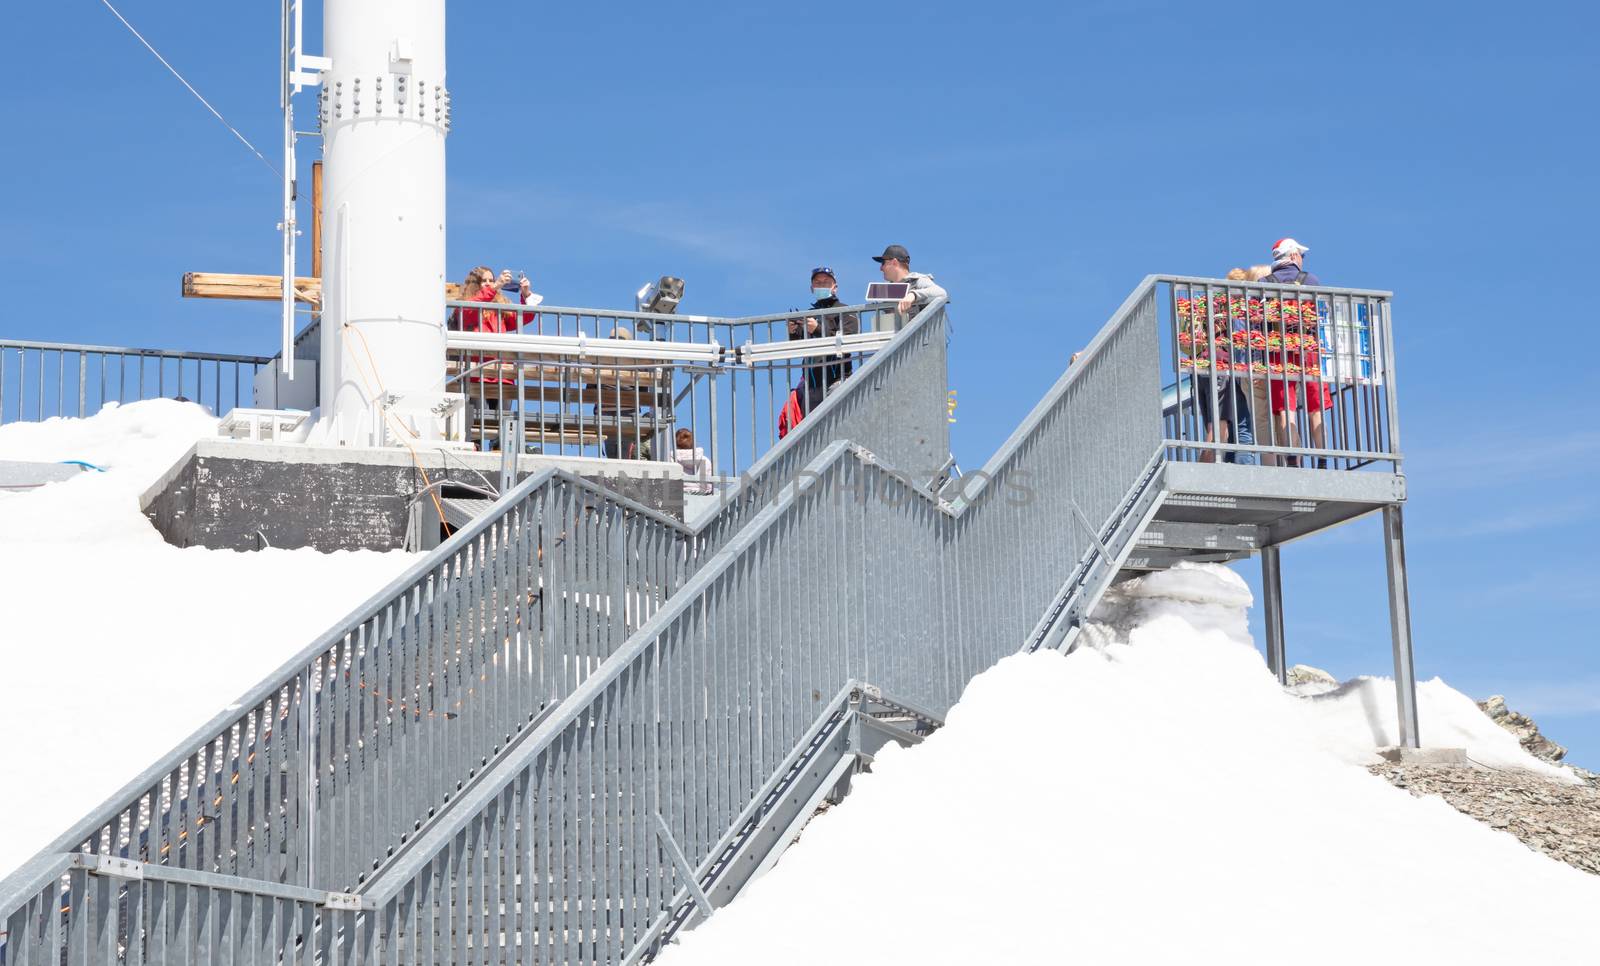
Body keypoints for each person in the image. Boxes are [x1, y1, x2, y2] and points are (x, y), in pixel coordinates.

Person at [1261, 238, 1332, 467]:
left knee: (1286, 408)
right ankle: (1322, 460)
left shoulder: (1264, 283)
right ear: (1292, 256)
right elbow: (1324, 314)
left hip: (1277, 349)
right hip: (1307, 346)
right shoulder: (1310, 281)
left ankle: (1292, 459)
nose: (1302, 258)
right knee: (1316, 405)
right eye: (1301, 254)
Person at [788, 266, 860, 414]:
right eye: (817, 283)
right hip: (811, 384)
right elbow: (798, 348)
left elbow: (848, 341)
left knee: (837, 425)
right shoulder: (807, 315)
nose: (821, 285)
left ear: (835, 287)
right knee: (811, 433)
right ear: (811, 288)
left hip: (837, 381)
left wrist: (817, 329)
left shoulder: (846, 311)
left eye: (826, 282)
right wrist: (793, 332)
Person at [872, 245, 947, 328]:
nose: (881, 268)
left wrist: (913, 295)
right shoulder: (886, 290)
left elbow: (942, 293)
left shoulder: (916, 281)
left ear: (894, 262)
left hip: (918, 338)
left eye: (883, 263)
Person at [673, 429, 714, 495]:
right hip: (702, 497)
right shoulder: (706, 460)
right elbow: (710, 486)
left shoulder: (670, 459)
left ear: (675, 443)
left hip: (676, 496)